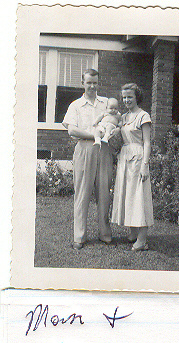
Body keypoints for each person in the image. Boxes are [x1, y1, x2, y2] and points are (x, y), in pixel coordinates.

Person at [62, 69, 114, 249]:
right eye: (89, 82)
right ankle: (79, 236)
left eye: (95, 82)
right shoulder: (75, 105)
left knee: (104, 192)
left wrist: (110, 132)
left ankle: (105, 234)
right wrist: (93, 135)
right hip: (84, 148)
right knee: (82, 193)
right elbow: (71, 130)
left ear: (98, 83)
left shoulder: (106, 103)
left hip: (104, 149)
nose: (92, 86)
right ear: (82, 82)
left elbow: (115, 122)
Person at [111, 83, 154, 251]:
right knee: (128, 195)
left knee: (139, 196)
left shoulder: (143, 116)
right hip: (125, 157)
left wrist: (145, 165)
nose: (126, 100)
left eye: (130, 96)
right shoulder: (124, 117)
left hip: (138, 158)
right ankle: (133, 232)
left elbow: (147, 142)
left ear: (137, 97)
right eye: (124, 97)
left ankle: (142, 240)